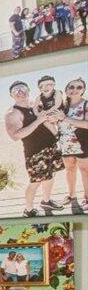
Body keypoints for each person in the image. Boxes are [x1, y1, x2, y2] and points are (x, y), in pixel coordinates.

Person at [5, 80, 65, 217]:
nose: (20, 92)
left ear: (28, 90)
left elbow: (49, 120)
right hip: (35, 153)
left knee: (51, 175)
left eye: (22, 88)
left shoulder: (35, 105)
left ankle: (46, 201)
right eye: (16, 90)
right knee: (35, 182)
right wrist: (38, 121)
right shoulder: (12, 113)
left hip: (51, 146)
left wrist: (57, 131)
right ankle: (28, 210)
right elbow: (15, 136)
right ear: (11, 95)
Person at [58, 77, 88, 211]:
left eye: (79, 87)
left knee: (85, 171)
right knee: (70, 170)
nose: (75, 89)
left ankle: (87, 198)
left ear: (83, 90)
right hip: (65, 144)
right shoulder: (62, 107)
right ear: (66, 90)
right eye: (71, 87)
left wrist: (65, 118)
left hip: (82, 143)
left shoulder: (86, 104)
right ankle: (71, 195)